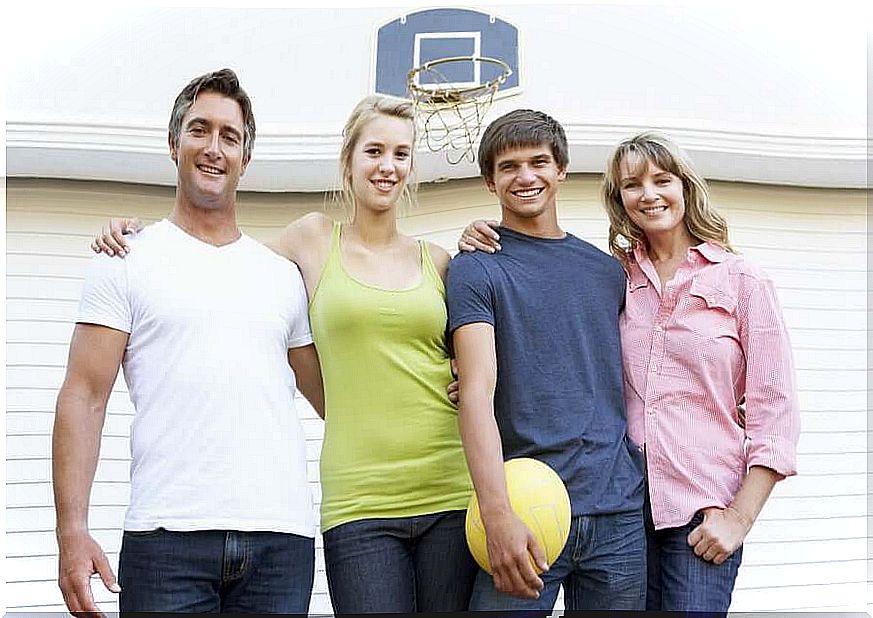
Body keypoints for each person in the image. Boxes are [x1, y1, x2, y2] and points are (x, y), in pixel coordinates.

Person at [89, 95, 477, 614]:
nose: (387, 166)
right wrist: (133, 232)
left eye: (401, 155)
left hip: (448, 485)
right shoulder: (311, 239)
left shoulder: (441, 261)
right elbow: (218, 258)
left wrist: (464, 374)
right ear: (349, 159)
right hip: (359, 500)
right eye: (375, 151)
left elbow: (474, 359)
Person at [458, 131, 801, 613]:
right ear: (619, 198)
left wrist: (740, 518)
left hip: (700, 516)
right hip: (627, 508)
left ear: (686, 186)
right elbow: (565, 347)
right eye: (633, 185)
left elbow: (775, 414)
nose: (650, 194)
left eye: (662, 180)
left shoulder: (742, 281)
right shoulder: (618, 276)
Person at [52, 68, 323, 615]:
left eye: (230, 136)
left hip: (281, 541)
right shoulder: (126, 259)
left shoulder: (282, 274)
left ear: (246, 157)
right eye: (200, 130)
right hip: (165, 542)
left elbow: (335, 398)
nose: (214, 148)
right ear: (173, 143)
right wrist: (71, 532)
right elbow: (84, 397)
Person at [446, 109, 647, 612]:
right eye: (509, 166)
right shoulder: (475, 269)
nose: (526, 176)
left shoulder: (607, 273)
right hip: (524, 509)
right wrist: (497, 515)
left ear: (561, 169)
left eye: (539, 162)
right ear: (490, 181)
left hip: (616, 513)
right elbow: (475, 393)